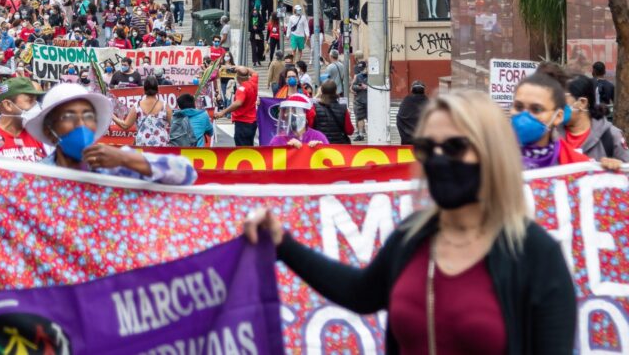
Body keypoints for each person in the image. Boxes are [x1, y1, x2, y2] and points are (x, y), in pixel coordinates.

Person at [243, 89, 577, 355]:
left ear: (491, 152)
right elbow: (360, 292)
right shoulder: (412, 236)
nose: (438, 158)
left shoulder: (536, 255)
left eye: (455, 146)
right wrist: (283, 243)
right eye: (427, 147)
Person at [21, 83, 196, 184]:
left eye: (88, 115)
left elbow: (186, 173)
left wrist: (126, 159)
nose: (81, 124)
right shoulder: (38, 177)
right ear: (49, 131)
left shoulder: (117, 164)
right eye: (68, 116)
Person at [512, 72, 591, 169]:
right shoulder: (493, 157)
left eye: (536, 109)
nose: (524, 116)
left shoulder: (579, 166)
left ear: (558, 116)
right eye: (518, 107)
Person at [0, 77, 50, 161]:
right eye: (29, 100)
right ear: (8, 105)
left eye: (36, 100)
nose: (36, 107)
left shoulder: (43, 134)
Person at [557, 75, 628, 169]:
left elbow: (626, 170)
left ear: (582, 103)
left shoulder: (611, 136)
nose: (556, 106)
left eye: (561, 100)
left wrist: (619, 166)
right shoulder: (551, 135)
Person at [113, 76, 172, 146]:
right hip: (161, 145)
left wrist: (112, 116)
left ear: (144, 89)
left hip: (143, 145)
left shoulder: (137, 106)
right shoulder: (165, 106)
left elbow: (125, 125)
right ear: (157, 89)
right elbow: (174, 125)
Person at [214, 66, 259, 145]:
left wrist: (223, 112)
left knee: (242, 149)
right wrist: (241, 68)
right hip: (252, 121)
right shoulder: (253, 83)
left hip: (243, 122)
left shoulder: (242, 89)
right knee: (250, 146)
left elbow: (238, 103)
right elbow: (255, 73)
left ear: (237, 78)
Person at [396, 80, 429, 145]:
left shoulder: (406, 101)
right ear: (424, 90)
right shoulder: (428, 102)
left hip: (407, 142)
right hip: (424, 143)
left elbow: (399, 119)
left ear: (411, 89)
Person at [351, 61, 368, 141]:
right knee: (360, 118)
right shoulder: (357, 76)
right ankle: (360, 134)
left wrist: (367, 87)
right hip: (360, 100)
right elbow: (352, 87)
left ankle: (372, 132)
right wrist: (359, 87)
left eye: (363, 68)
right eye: (361, 69)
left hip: (369, 101)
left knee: (370, 118)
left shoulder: (373, 77)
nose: (362, 70)